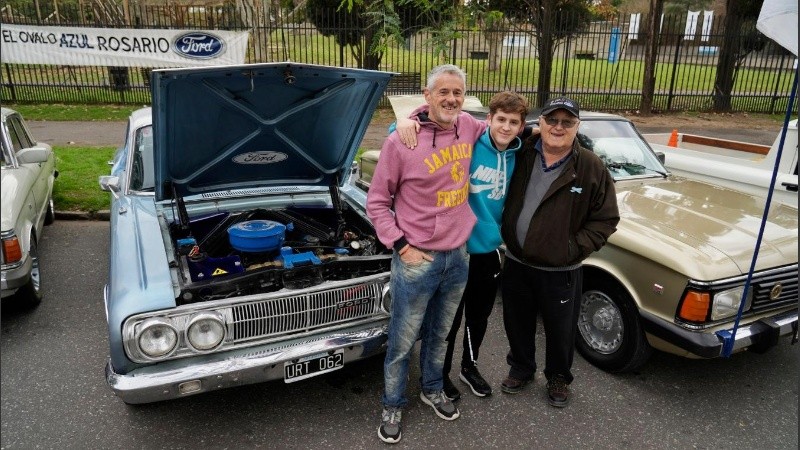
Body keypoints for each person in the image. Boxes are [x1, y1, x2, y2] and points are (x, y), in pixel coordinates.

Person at [366, 64, 488, 444]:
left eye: (458, 92)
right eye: (443, 92)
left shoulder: (469, 125)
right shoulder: (401, 142)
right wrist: (401, 246)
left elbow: (503, 129)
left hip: (458, 256)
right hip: (417, 259)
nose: (451, 99)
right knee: (403, 341)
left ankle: (432, 389)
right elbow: (376, 202)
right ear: (427, 94)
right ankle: (392, 403)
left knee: (440, 335)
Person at [395, 91, 530, 400]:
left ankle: (469, 367)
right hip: (457, 249)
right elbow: (416, 129)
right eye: (501, 120)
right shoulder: (468, 140)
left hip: (489, 252)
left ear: (521, 126)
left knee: (478, 317)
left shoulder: (520, 152)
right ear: (489, 120)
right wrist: (405, 120)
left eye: (513, 122)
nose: (506, 127)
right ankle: (438, 376)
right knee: (447, 321)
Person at [499, 96, 619, 407]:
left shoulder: (591, 166)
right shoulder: (520, 150)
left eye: (567, 122)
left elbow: (606, 219)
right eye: (552, 119)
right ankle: (522, 368)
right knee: (517, 321)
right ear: (539, 123)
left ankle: (558, 377)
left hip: (560, 269)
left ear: (577, 127)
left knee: (560, 329)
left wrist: (572, 249)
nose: (558, 127)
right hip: (515, 260)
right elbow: (480, 127)